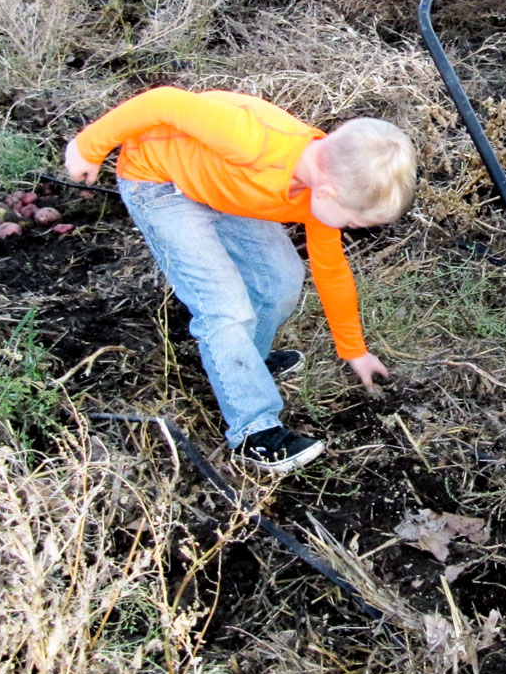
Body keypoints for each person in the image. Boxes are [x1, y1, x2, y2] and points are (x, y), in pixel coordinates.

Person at [64, 84, 417, 474]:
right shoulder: (255, 143)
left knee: (281, 280)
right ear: (330, 191)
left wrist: (354, 350)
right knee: (225, 306)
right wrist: (87, 148)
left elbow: (331, 272)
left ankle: (247, 361)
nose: (351, 228)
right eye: (353, 221)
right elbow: (162, 102)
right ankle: (254, 431)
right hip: (160, 183)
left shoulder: (320, 191)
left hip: (220, 188)